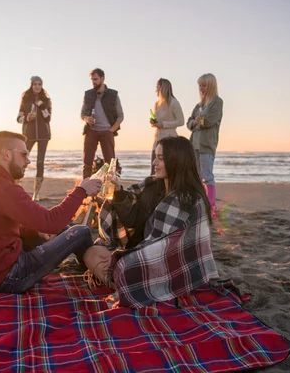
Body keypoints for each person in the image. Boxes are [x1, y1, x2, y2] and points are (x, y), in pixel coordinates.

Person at [0, 131, 102, 293]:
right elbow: (51, 222)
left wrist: (36, 231)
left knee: (63, 230)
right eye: (24, 155)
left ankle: (90, 263)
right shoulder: (3, 189)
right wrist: (81, 190)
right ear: (6, 155)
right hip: (8, 278)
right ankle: (98, 269)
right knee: (81, 231)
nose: (28, 161)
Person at [83, 136, 219, 308]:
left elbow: (174, 247)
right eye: (155, 156)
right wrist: (118, 192)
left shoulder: (189, 199)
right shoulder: (152, 187)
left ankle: (133, 284)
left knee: (124, 267)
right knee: (92, 253)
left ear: (176, 161)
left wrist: (123, 258)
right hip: (143, 256)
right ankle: (131, 284)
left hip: (170, 265)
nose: (154, 162)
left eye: (160, 158)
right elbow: (133, 219)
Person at [186, 73, 223, 218]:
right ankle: (200, 205)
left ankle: (211, 207)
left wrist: (197, 122)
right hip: (194, 144)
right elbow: (190, 122)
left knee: (207, 176)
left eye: (204, 85)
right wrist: (195, 122)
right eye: (200, 85)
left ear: (211, 86)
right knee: (196, 177)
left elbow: (208, 121)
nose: (201, 88)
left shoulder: (217, 102)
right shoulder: (199, 105)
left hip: (207, 145)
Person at [80, 68, 124, 179]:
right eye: (92, 79)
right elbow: (82, 114)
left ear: (102, 78)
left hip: (107, 132)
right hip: (91, 131)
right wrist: (87, 119)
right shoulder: (88, 94)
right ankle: (85, 191)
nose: (93, 82)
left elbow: (120, 116)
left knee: (110, 164)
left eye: (96, 79)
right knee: (87, 163)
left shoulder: (113, 95)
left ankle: (110, 192)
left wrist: (111, 130)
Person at [16, 76, 52, 201]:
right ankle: (15, 185)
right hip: (28, 135)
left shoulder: (46, 100)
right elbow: (18, 118)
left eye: (39, 84)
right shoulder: (25, 99)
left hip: (43, 135)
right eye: (35, 84)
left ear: (42, 86)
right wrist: (27, 118)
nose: (37, 86)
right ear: (31, 85)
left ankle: (36, 193)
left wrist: (42, 106)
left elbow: (48, 118)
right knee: (22, 159)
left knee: (40, 162)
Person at [149, 78, 184, 174]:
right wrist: (153, 121)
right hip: (157, 139)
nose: (156, 90)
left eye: (157, 87)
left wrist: (164, 124)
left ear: (163, 88)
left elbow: (181, 121)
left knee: (169, 171)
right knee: (154, 171)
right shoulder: (156, 104)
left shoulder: (173, 102)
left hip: (170, 140)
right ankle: (155, 189)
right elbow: (157, 119)